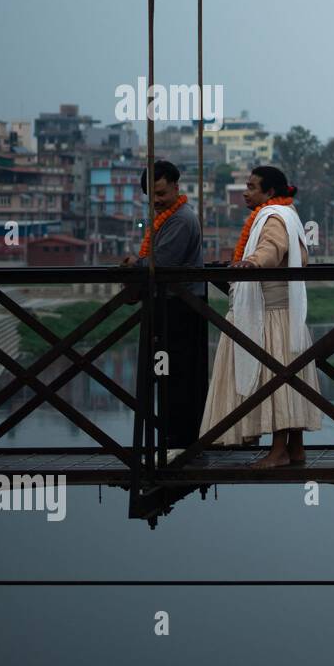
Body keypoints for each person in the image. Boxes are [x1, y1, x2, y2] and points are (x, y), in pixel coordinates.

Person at [198, 166, 321, 468]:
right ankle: (295, 448)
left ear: (269, 193)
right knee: (287, 379)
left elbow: (272, 248)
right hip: (280, 313)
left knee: (277, 381)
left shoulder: (274, 217)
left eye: (252, 187)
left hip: (272, 314)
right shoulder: (283, 214)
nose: (245, 192)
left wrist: (251, 263)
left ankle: (278, 452)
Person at [121, 160, 208, 458]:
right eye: (151, 196)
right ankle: (174, 439)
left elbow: (163, 264)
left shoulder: (181, 219)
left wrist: (136, 264)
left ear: (176, 187)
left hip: (181, 308)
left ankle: (180, 442)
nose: (157, 201)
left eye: (161, 193)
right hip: (170, 306)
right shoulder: (166, 218)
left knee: (179, 376)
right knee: (167, 375)